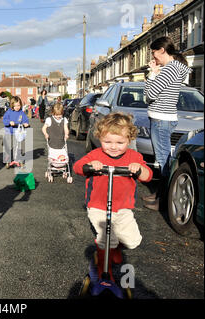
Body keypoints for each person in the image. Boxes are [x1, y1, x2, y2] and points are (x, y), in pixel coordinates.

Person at [73, 112, 153, 282]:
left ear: (129, 140)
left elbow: (148, 175)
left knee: (133, 241)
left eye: (120, 142)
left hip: (123, 207)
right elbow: (78, 167)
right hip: (98, 206)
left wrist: (138, 168)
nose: (113, 147)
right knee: (104, 241)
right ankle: (104, 270)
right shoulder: (96, 155)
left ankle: (114, 248)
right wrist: (90, 166)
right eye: (107, 142)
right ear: (99, 138)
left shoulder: (134, 157)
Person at [143, 36, 191, 211]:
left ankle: (163, 202)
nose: (153, 57)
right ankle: (158, 195)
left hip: (161, 119)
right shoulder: (173, 68)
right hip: (163, 118)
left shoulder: (170, 69)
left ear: (162, 50)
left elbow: (150, 94)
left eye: (154, 52)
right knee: (162, 160)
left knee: (163, 162)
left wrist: (152, 74)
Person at [2, 96, 29, 167]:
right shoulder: (9, 112)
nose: (17, 107)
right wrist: (9, 122)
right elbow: (4, 120)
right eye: (15, 106)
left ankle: (17, 159)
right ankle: (7, 160)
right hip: (8, 131)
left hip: (17, 132)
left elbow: (25, 120)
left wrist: (26, 124)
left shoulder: (21, 113)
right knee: (7, 146)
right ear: (12, 105)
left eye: (19, 105)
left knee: (17, 146)